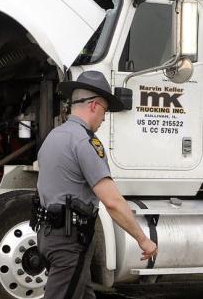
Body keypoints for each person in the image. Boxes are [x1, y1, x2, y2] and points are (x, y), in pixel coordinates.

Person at [35, 70, 158, 299]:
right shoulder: (85, 142)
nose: (104, 118)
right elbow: (111, 202)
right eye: (105, 111)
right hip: (69, 243)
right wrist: (143, 239)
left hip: (48, 236)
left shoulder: (54, 137)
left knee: (83, 294)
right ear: (93, 105)